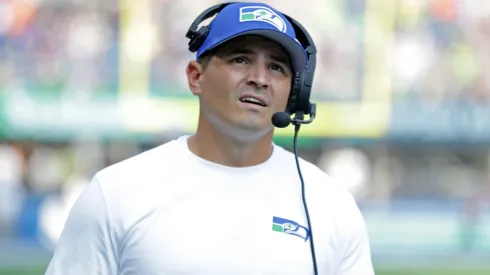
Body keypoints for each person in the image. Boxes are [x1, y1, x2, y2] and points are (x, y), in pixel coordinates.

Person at [44, 2, 375, 274]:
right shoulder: (115, 194)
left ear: (294, 93)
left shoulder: (331, 204)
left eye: (277, 67)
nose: (259, 78)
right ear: (195, 76)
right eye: (240, 59)